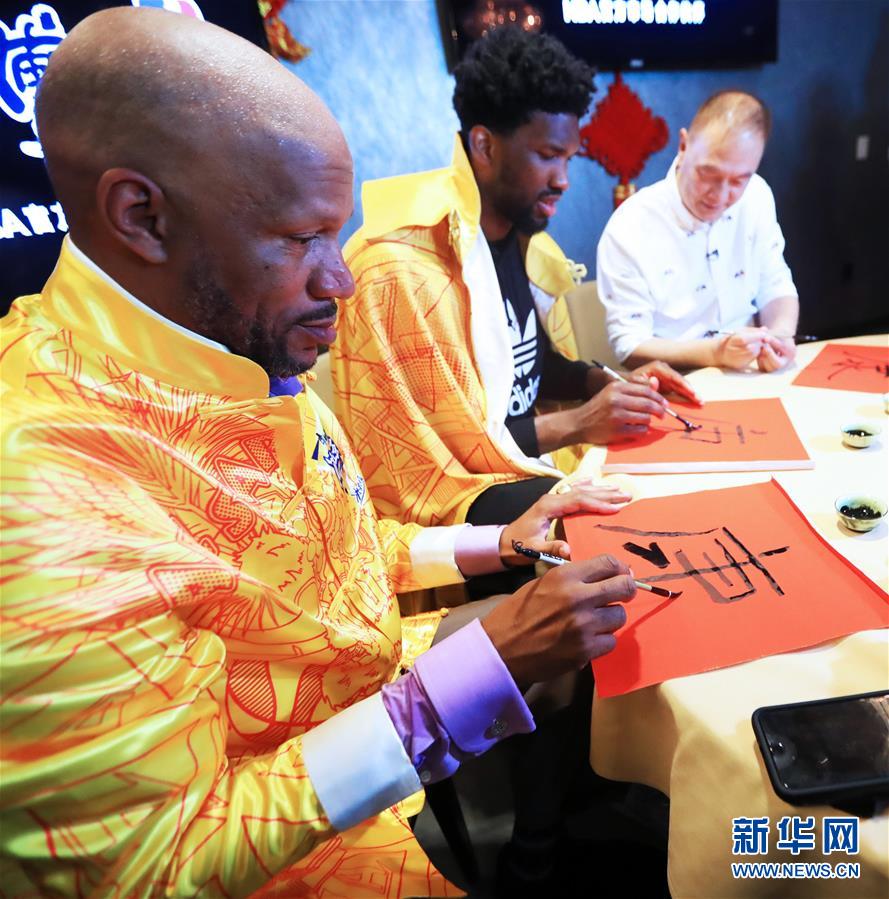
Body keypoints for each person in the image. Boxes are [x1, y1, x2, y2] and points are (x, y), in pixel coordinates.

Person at [0, 9, 639, 898]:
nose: (340, 280)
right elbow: (152, 866)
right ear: (141, 215)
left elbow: (325, 554)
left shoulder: (231, 342)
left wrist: (495, 543)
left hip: (360, 703)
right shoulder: (40, 498)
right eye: (302, 239)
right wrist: (454, 686)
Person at [330, 27, 698, 543]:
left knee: (671, 486)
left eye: (568, 158)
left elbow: (531, 366)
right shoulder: (399, 268)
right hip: (451, 518)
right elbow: (437, 464)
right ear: (484, 146)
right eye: (548, 155)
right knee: (627, 525)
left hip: (518, 470)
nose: (564, 179)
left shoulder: (518, 234)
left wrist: (610, 385)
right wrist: (580, 423)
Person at [597, 90, 800, 373]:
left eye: (738, 181)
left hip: (750, 373)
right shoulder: (630, 226)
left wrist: (780, 337)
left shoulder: (757, 195)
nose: (721, 195)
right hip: (675, 380)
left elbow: (775, 282)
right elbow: (630, 345)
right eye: (708, 174)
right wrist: (716, 353)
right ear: (684, 145)